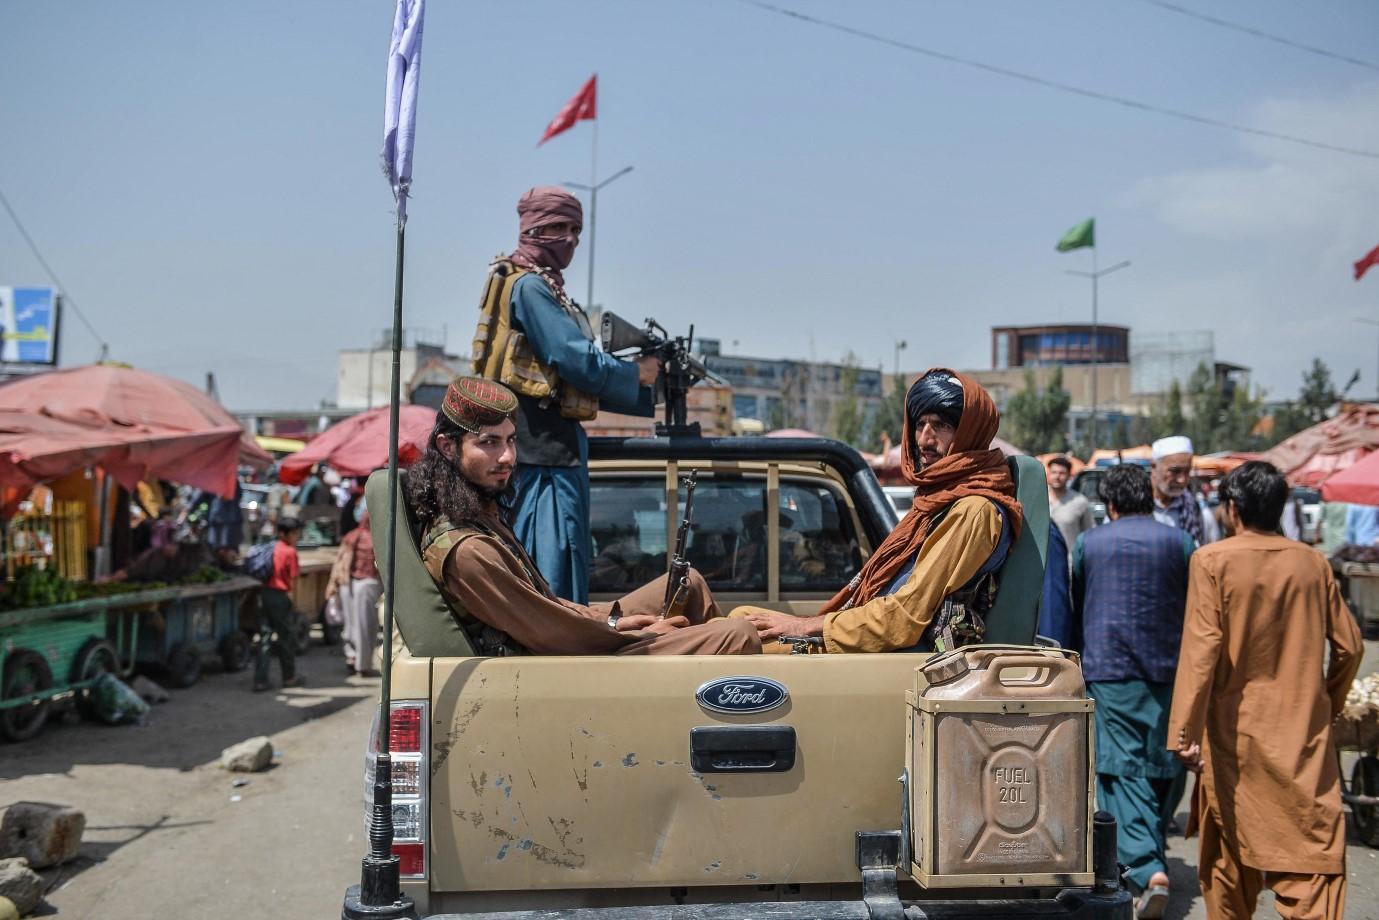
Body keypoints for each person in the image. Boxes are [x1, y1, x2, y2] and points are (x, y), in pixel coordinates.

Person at [406, 376, 759, 656]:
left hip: (573, 640)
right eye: (489, 443)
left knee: (690, 583)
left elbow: (547, 607)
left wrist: (615, 620)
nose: (507, 458)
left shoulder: (479, 515)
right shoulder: (468, 551)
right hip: (565, 665)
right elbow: (553, 635)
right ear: (447, 447)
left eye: (511, 441)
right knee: (737, 634)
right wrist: (633, 632)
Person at [1169, 461, 1363, 920]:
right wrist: (1323, 702)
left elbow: (1202, 652)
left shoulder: (1212, 560)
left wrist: (1184, 734)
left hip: (1236, 736)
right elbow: (1351, 647)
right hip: (1303, 739)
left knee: (1229, 861)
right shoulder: (1313, 563)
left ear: (1233, 509)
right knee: (1311, 860)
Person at [737, 369, 1022, 652]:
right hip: (873, 638)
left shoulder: (974, 510)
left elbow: (904, 617)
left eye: (941, 426)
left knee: (735, 638)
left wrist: (805, 626)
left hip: (894, 654)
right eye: (920, 424)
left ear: (970, 433)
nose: (924, 439)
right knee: (741, 617)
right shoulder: (941, 499)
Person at [471, 187, 659, 604]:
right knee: (551, 574)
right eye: (559, 227)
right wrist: (636, 374)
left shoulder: (541, 287)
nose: (570, 238)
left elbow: (567, 378)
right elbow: (573, 360)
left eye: (576, 229)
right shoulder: (531, 289)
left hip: (550, 453)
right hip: (544, 459)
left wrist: (644, 390)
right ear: (533, 228)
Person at [1070, 464, 1194, 918]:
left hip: (1110, 666)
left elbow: (1077, 600)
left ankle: (1147, 868)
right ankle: (1152, 845)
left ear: (1111, 504)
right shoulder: (1180, 542)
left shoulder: (1090, 543)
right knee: (1164, 761)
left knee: (1122, 771)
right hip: (1170, 668)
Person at [327, 510, 381, 677]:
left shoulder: (350, 536)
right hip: (367, 585)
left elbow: (339, 562)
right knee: (366, 627)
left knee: (350, 625)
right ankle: (362, 665)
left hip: (346, 584)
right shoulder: (375, 540)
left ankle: (351, 656)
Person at [254, 517, 304, 691]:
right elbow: (294, 581)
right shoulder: (290, 552)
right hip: (280, 597)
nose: (297, 537)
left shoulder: (271, 547)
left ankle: (260, 680)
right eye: (294, 534)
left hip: (264, 595)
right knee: (286, 638)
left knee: (265, 639)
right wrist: (296, 604)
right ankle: (289, 677)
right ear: (284, 534)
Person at [1150, 436, 1217, 545]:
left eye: (1187, 472)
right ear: (1154, 467)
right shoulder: (1135, 509)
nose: (1182, 480)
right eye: (1175, 471)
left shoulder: (1199, 512)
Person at [1047, 455, 1094, 552]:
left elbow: (1090, 534)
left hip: (1069, 563)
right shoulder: (1039, 499)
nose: (1057, 476)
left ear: (1069, 475)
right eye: (1054, 472)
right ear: (1048, 474)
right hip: (1043, 564)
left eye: (1062, 473)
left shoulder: (1080, 501)